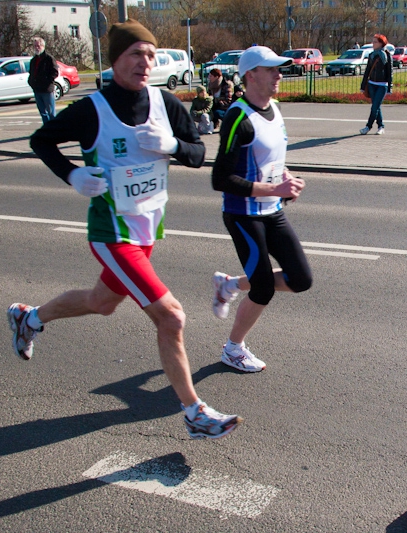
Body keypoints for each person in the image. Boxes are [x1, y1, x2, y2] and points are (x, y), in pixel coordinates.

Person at [15, 19, 242, 440]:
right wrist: (71, 175)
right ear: (116, 59)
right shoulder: (91, 109)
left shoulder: (165, 103)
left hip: (147, 231)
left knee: (102, 302)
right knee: (171, 317)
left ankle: (29, 319)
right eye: (136, 54)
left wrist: (173, 146)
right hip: (110, 232)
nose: (145, 62)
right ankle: (194, 412)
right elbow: (41, 141)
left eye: (151, 55)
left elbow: (197, 154)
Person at [210, 46, 312, 373]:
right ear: (250, 74)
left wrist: (286, 179)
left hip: (272, 210)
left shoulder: (275, 108)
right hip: (243, 214)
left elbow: (270, 161)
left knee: (301, 279)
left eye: (279, 69)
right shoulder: (237, 117)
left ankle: (230, 284)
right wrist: (276, 189)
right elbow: (221, 178)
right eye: (271, 70)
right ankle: (233, 348)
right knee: (264, 287)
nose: (279, 75)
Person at [359, 34, 393, 136]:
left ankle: (368, 126)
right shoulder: (371, 55)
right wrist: (363, 85)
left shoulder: (387, 55)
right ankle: (381, 126)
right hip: (371, 84)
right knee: (376, 107)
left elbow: (390, 71)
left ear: (381, 43)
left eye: (375, 42)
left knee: (375, 107)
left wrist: (390, 86)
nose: (373, 44)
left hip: (382, 85)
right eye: (372, 41)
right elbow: (367, 71)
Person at [28, 37, 59, 124]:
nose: (36, 48)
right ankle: (46, 129)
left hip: (47, 90)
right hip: (37, 90)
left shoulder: (49, 59)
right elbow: (31, 73)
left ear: (43, 46)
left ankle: (54, 130)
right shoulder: (33, 60)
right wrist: (31, 83)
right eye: (35, 46)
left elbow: (55, 72)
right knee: (43, 112)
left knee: (51, 112)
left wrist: (47, 82)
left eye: (38, 46)